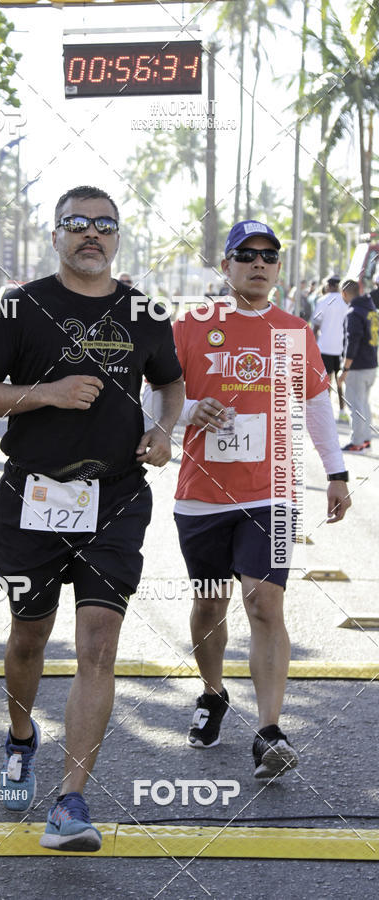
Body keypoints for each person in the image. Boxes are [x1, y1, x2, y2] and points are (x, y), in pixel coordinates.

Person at [0, 185, 184, 852]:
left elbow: (170, 381)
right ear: (57, 234)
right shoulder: (22, 305)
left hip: (115, 498)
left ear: (118, 236)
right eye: (78, 224)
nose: (92, 235)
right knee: (29, 638)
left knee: (98, 646)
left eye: (104, 226)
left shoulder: (145, 309)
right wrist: (48, 393)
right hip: (32, 497)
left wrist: (165, 428)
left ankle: (71, 802)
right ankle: (21, 736)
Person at [171, 220, 350, 779]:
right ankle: (213, 692)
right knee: (210, 602)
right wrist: (185, 413)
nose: (259, 263)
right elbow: (151, 394)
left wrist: (337, 471)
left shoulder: (294, 332)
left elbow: (318, 404)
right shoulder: (191, 326)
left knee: (264, 604)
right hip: (201, 494)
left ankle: (270, 731)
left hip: (269, 493)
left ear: (278, 268)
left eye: (269, 256)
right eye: (245, 255)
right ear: (225, 266)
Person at [338, 279, 379, 452]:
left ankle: (357, 442)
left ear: (344, 294)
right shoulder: (371, 310)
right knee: (364, 404)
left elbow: (352, 341)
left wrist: (345, 369)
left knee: (356, 404)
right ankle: (366, 440)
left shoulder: (353, 313)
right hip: (371, 364)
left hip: (357, 366)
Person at [312, 275, 349, 424]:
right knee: (340, 381)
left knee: (326, 381)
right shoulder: (345, 301)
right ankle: (342, 411)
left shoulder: (322, 301)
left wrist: (312, 344)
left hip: (325, 347)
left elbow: (316, 325)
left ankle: (326, 414)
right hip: (341, 347)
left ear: (328, 286)